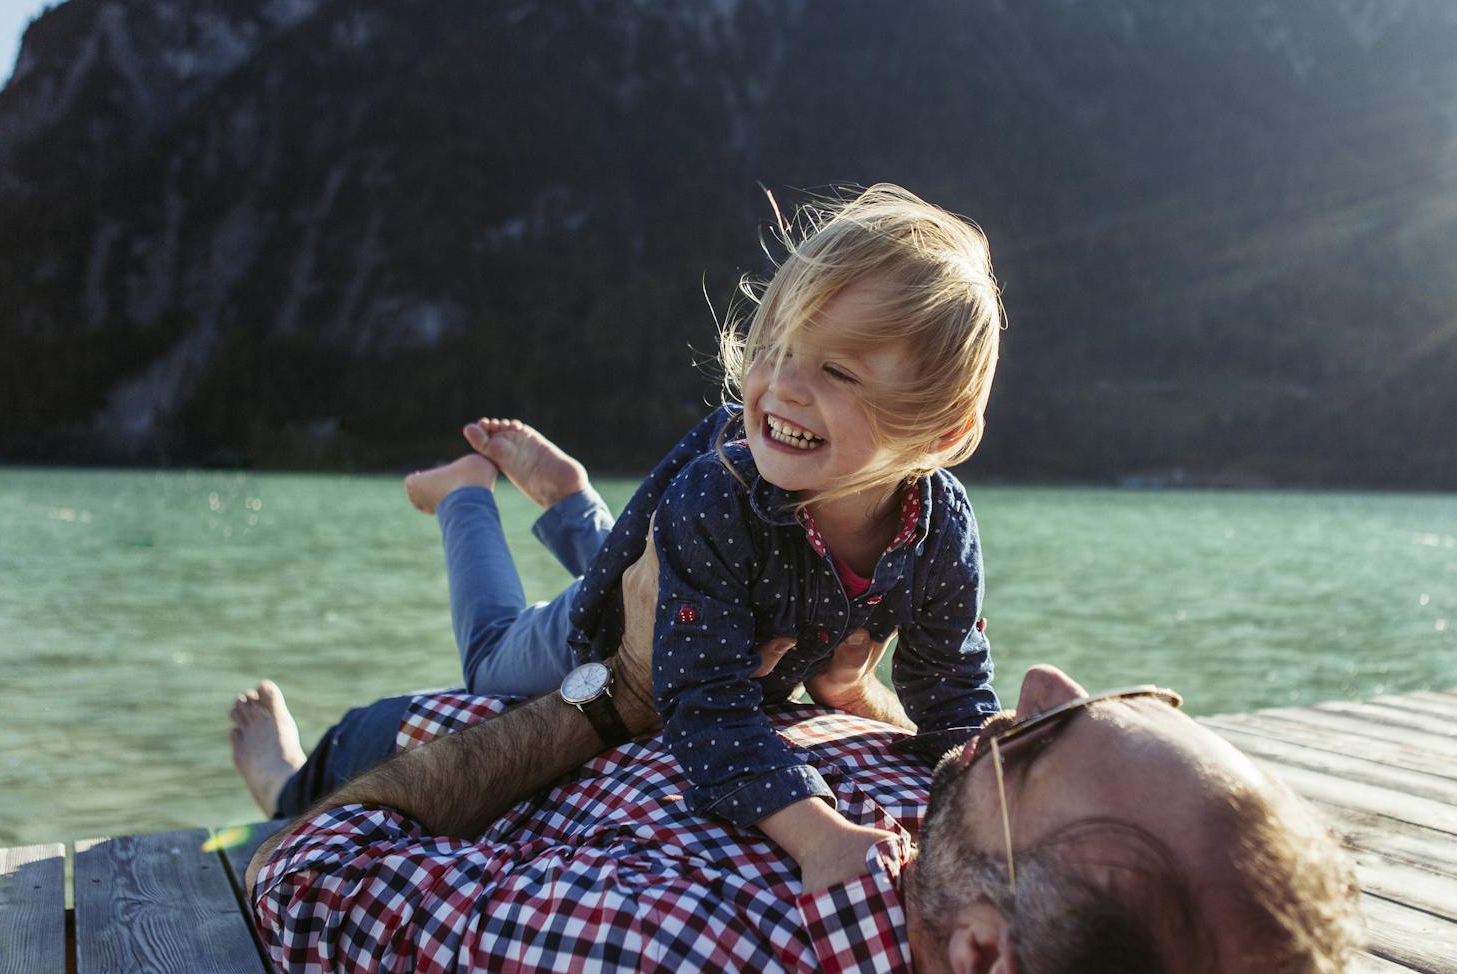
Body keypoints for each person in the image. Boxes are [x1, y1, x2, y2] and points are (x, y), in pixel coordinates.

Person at [241, 663, 1369, 974]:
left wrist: (612, 694)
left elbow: (303, 881)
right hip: (663, 713)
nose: (1041, 683)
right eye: (1134, 699)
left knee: (305, 787)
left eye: (1036, 745)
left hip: (437, 746)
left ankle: (281, 770)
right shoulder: (963, 893)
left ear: (982, 954)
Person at [392, 183, 1007, 891]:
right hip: (621, 627)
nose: (782, 384)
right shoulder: (718, 494)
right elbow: (702, 699)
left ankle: (570, 500)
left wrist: (995, 796)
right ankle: (464, 493)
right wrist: (818, 834)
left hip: (700, 589)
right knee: (493, 659)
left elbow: (952, 693)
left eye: (837, 369)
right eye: (774, 346)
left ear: (942, 433)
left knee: (677, 576)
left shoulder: (939, 527)